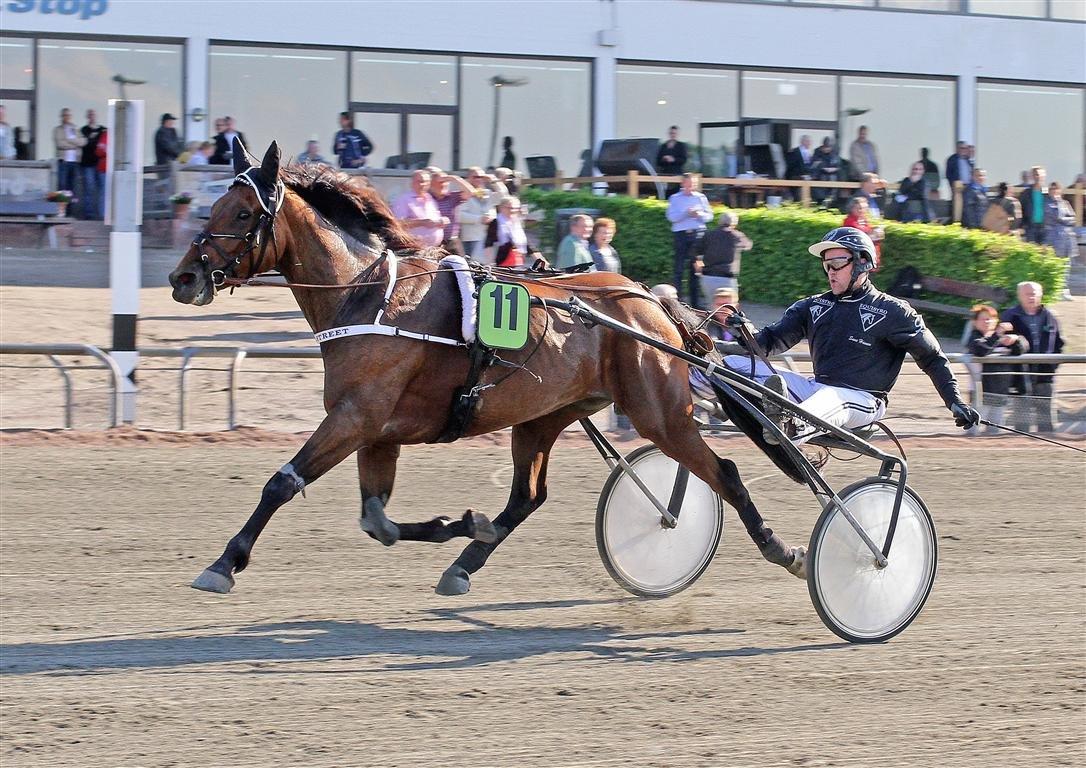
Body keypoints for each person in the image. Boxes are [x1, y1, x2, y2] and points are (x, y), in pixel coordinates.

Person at [719, 227, 978, 446]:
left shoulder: (893, 311)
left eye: (836, 264)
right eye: (826, 265)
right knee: (728, 366)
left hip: (863, 400)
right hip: (815, 390)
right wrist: (744, 331)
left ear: (862, 262)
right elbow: (768, 343)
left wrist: (954, 401)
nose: (830, 271)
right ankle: (694, 399)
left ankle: (791, 426)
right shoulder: (811, 306)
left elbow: (933, 358)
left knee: (833, 398)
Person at [1000, 282, 1064, 432]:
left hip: (1044, 374)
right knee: (1021, 420)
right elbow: (1002, 342)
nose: (1032, 297)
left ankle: (1047, 449)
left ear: (1041, 295)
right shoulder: (1010, 315)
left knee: (1045, 419)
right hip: (1020, 374)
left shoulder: (1050, 316)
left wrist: (1052, 365)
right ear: (1019, 296)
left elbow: (1059, 344)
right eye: (1027, 294)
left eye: (1034, 293)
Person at [966, 304, 1027, 430]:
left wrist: (1015, 339)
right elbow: (981, 350)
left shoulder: (1001, 338)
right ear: (975, 322)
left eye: (991, 318)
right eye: (983, 319)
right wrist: (998, 334)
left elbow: (1022, 349)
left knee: (995, 430)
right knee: (973, 430)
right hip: (981, 392)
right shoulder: (974, 338)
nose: (987, 321)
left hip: (1001, 390)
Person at [666, 173, 713, 308]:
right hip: (681, 234)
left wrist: (699, 215)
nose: (691, 186)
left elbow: (709, 217)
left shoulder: (701, 198)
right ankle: (676, 301)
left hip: (697, 235)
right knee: (678, 269)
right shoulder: (675, 198)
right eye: (689, 183)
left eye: (693, 184)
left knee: (695, 269)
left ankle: (695, 303)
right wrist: (686, 213)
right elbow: (672, 217)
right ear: (683, 183)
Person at [697, 211, 750, 306]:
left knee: (712, 308)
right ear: (734, 223)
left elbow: (696, 252)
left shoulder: (709, 234)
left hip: (708, 276)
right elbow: (747, 245)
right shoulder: (736, 235)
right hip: (726, 278)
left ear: (719, 222)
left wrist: (698, 267)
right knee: (729, 310)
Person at [391, 170, 445, 248]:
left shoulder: (430, 199)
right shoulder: (404, 200)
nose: (423, 184)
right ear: (412, 183)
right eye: (420, 181)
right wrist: (422, 222)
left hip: (432, 248)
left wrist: (441, 222)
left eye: (426, 182)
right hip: (413, 249)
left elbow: (435, 219)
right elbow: (398, 224)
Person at [1043, 182, 1078, 299]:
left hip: (1067, 237)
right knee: (1055, 264)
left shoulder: (1065, 203)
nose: (1055, 192)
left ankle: (1064, 289)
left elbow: (1073, 218)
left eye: (1057, 189)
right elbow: (1055, 217)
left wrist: (1064, 219)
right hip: (1053, 237)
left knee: (1066, 264)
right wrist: (1063, 217)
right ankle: (1055, 290)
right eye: (1052, 190)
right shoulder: (1047, 204)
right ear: (1049, 191)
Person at [458, 167, 498, 261]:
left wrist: (494, 181)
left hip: (488, 237)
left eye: (481, 177)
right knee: (473, 266)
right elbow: (459, 215)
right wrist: (479, 218)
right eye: (476, 177)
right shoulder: (463, 193)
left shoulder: (487, 192)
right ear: (468, 178)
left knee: (489, 266)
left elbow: (502, 198)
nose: (479, 179)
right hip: (471, 237)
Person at [429, 168, 473, 253]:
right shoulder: (427, 198)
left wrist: (454, 179)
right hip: (434, 243)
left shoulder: (451, 197)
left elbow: (470, 192)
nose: (444, 185)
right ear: (431, 184)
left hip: (452, 241)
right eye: (440, 182)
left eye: (445, 182)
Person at [52, 107, 85, 204]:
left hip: (75, 162)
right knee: (62, 185)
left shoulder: (75, 129)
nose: (67, 117)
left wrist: (69, 141)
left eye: (69, 115)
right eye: (65, 115)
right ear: (62, 117)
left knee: (72, 187)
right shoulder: (57, 130)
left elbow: (83, 142)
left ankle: (70, 211)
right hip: (64, 162)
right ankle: (62, 211)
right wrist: (75, 145)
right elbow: (60, 144)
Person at [488, 196, 529, 267]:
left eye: (515, 208)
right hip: (501, 260)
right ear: (501, 208)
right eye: (509, 208)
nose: (512, 211)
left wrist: (539, 258)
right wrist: (490, 262)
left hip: (517, 259)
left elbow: (526, 244)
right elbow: (489, 243)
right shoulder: (496, 222)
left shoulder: (517, 222)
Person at [79, 109, 105, 219]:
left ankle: (102, 214)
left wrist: (92, 140)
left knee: (103, 189)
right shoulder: (83, 130)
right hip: (87, 164)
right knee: (89, 188)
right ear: (87, 116)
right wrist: (93, 141)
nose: (91, 116)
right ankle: (89, 214)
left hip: (101, 164)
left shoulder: (103, 130)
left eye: (93, 114)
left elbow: (104, 144)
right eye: (90, 115)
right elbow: (84, 143)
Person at [1018, 166, 1048, 245]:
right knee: (1032, 252)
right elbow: (1020, 209)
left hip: (1045, 227)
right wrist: (1022, 225)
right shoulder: (1026, 193)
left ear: (1044, 176)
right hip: (1031, 227)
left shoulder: (1048, 193)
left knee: (1045, 253)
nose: (1037, 177)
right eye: (1035, 175)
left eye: (1039, 175)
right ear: (1032, 176)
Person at [657, 125, 687, 195]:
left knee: (676, 194)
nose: (673, 135)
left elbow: (684, 159)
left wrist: (673, 159)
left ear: (677, 134)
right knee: (665, 194)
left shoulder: (681, 146)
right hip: (665, 174)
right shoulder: (663, 146)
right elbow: (658, 161)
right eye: (671, 133)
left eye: (674, 133)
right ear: (669, 134)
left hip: (677, 174)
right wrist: (664, 159)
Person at [785, 134, 815, 200]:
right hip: (795, 178)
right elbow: (790, 166)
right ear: (803, 142)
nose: (809, 143)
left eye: (810, 142)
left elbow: (808, 166)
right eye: (808, 141)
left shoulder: (809, 153)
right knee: (796, 197)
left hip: (806, 179)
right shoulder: (794, 152)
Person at [810, 136, 839, 203]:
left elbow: (837, 164)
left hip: (832, 177)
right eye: (825, 147)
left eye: (829, 148)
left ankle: (831, 198)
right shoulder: (817, 151)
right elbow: (814, 165)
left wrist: (833, 169)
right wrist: (822, 167)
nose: (827, 149)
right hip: (819, 177)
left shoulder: (834, 153)